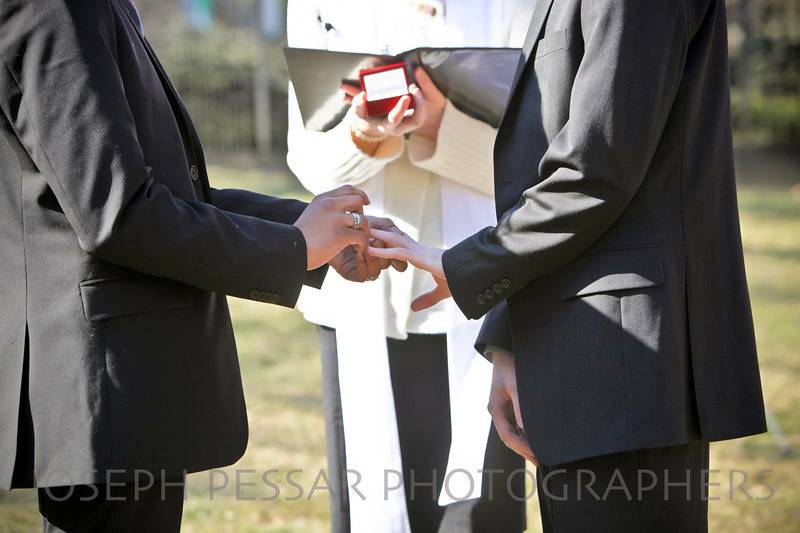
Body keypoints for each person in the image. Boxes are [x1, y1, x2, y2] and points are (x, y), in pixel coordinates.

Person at [369, 0, 768, 531]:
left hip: (630, 357)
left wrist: (464, 264)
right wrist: (509, 337)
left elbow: (595, 169)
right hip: (579, 347)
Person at [0, 1, 396, 531]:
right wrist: (292, 248)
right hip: (100, 383)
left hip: (124, 385)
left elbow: (164, 193)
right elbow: (117, 213)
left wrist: (307, 227)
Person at [286, 1, 533, 531]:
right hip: (362, 295)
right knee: (370, 501)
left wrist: (438, 123)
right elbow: (308, 162)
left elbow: (544, 158)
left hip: (483, 292)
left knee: (481, 509)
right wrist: (368, 137)